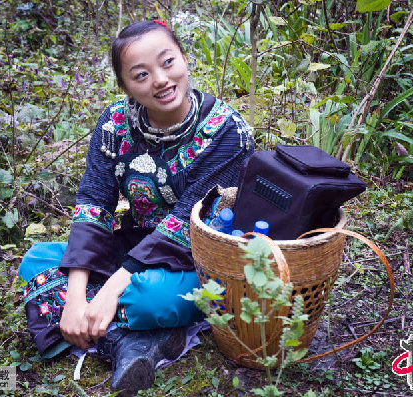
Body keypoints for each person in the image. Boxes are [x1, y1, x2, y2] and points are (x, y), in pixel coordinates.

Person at [18, 20, 254, 395]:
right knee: (36, 259)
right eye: (141, 74)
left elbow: (184, 225)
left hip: (198, 258)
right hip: (134, 244)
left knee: (149, 299)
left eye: (168, 62)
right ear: (126, 86)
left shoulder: (228, 132)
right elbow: (94, 203)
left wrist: (110, 289)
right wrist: (77, 296)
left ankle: (101, 324)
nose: (160, 79)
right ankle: (124, 341)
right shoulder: (114, 123)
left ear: (185, 59)